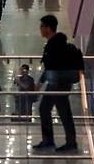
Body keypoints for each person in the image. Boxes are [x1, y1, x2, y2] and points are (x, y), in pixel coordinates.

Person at [33, 15, 79, 152]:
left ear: (48, 28)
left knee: (62, 111)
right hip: (58, 82)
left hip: (58, 83)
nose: (40, 29)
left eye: (42, 26)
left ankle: (67, 142)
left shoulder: (55, 45)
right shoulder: (56, 43)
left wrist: (40, 83)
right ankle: (54, 141)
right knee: (50, 109)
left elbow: (51, 67)